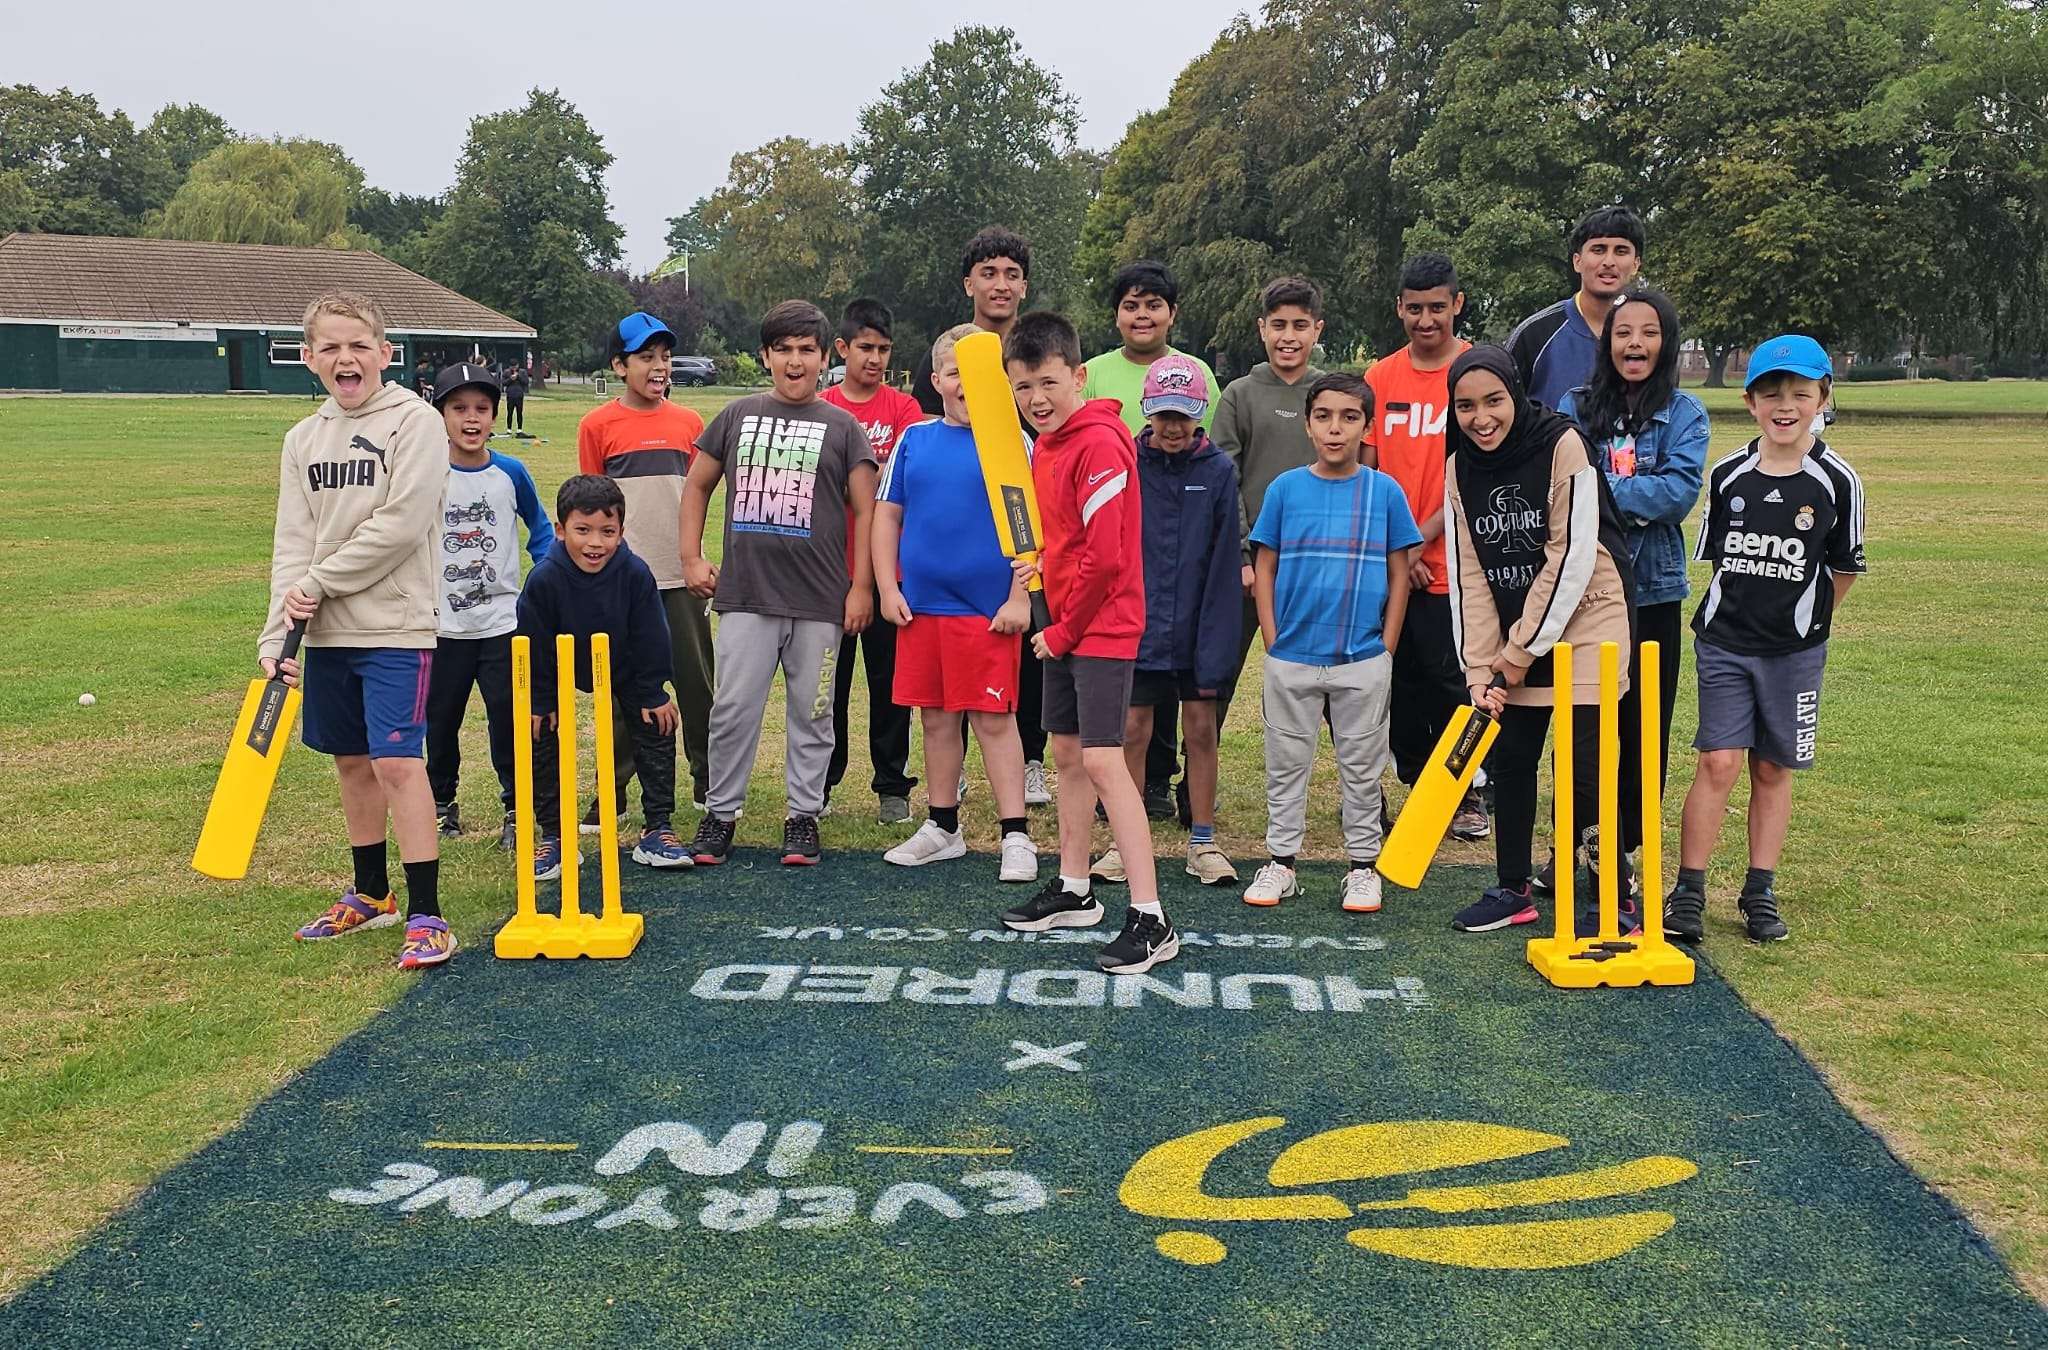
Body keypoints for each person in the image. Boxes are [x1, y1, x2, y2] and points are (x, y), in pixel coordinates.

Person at [265, 290, 453, 970]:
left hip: (396, 625)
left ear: (385, 353)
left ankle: (427, 913)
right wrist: (275, 637)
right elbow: (293, 542)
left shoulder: (416, 422)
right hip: (326, 634)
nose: (346, 358)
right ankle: (372, 894)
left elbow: (400, 526)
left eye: (359, 345)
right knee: (350, 762)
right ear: (309, 357)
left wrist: (320, 582)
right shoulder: (302, 439)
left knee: (397, 762)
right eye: (331, 347)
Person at [1664, 337, 1864, 944]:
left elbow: (1844, 567)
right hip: (1725, 642)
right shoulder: (1728, 474)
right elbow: (1719, 561)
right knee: (1718, 761)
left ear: (1822, 400)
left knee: (1773, 768)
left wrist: (1804, 622)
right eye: (1771, 394)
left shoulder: (1837, 480)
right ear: (1750, 403)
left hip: (1795, 653)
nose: (1785, 406)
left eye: (1800, 394)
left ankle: (1759, 890)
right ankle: (1688, 890)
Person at [995, 311, 1176, 976]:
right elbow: (1068, 540)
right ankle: (1075, 890)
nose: (1036, 398)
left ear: (1077, 376)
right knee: (1068, 754)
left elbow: (1106, 559)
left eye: (1047, 382)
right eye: (1022, 387)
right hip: (1064, 619)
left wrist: (1062, 631)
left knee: (1103, 760)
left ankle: (1152, 918)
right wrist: (1039, 564)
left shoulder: (1099, 442)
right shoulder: (1047, 444)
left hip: (1100, 625)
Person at [1442, 347, 1636, 935]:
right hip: (1513, 626)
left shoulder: (1562, 444)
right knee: (1511, 757)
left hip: (1588, 613)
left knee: (1586, 765)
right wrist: (1481, 669)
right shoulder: (1458, 467)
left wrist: (1518, 653)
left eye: (1493, 401)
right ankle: (1512, 889)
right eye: (1466, 407)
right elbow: (1469, 573)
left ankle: (1613, 895)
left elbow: (1570, 556)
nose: (1481, 418)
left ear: (1516, 394)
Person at [680, 300, 877, 867]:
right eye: (783, 349)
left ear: (824, 357)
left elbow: (868, 511)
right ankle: (720, 813)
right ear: (765, 355)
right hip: (747, 595)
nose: (795, 361)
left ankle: (803, 815)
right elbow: (697, 486)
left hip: (820, 601)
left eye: (806, 350)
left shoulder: (843, 427)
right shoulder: (737, 415)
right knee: (733, 709)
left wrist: (861, 588)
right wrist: (691, 557)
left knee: (813, 713)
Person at [1242, 373, 1420, 915]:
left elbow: (1400, 571)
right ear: (1308, 424)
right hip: (1292, 658)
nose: (1335, 428)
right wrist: (1273, 640)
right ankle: (1281, 863)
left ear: (1367, 426)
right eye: (1323, 416)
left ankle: (1363, 867)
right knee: (1285, 764)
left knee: (1363, 768)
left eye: (1349, 417)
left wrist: (1386, 647)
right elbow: (1264, 566)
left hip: (1362, 659)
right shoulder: (1285, 489)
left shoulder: (1384, 492)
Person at [874, 323, 1038, 883]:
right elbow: (887, 516)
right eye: (956, 372)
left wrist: (1019, 598)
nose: (967, 383)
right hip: (923, 610)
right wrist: (888, 588)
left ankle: (1016, 833)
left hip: (986, 615)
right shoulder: (913, 440)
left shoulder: (1013, 442)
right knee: (937, 719)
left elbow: (1032, 527)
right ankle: (943, 826)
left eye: (981, 373)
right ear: (937, 379)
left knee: (994, 720)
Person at [1555, 289, 1706, 875]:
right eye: (1623, 333)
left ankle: (1622, 849)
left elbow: (1676, 496)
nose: (1635, 344)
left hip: (1654, 592)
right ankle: (1572, 843)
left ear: (1665, 343)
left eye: (1648, 333)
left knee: (1644, 726)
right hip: (1588, 591)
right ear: (1607, 342)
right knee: (1584, 726)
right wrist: (1615, 497)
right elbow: (1565, 489)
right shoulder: (1574, 405)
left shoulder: (1686, 414)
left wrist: (1603, 492)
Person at [910, 225, 1050, 808]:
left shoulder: (1036, 349)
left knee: (1029, 646)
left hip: (1023, 528)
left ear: (1024, 286)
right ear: (969, 283)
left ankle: (1032, 760)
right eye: (988, 273)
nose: (1000, 285)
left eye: (1012, 275)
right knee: (949, 674)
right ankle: (953, 777)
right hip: (956, 544)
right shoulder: (950, 354)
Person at [1089, 354, 1241, 891]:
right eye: (1164, 415)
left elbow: (1225, 558)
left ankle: (1203, 841)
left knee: (1200, 728)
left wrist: (1218, 636)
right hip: (1140, 622)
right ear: (1148, 411)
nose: (1173, 427)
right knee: (1133, 730)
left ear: (1199, 413)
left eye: (1183, 415)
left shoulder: (1218, 471)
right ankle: (1123, 843)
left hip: (1199, 624)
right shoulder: (1128, 463)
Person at [577, 312, 715, 828]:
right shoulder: (596, 425)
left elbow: (697, 496)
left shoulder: (690, 423)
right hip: (624, 584)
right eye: (645, 357)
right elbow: (591, 506)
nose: (659, 367)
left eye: (665, 357)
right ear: (619, 365)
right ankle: (611, 791)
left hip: (681, 578)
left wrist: (694, 558)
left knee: (697, 684)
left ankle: (708, 780)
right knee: (621, 691)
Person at [1366, 254, 1484, 842]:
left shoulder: (1477, 371)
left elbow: (1478, 473)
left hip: (1456, 564)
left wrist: (1418, 543)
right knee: (1400, 684)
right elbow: (1367, 471)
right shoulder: (1380, 377)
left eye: (1438, 307)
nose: (1426, 319)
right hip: (1393, 565)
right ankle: (1418, 788)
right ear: (1399, 309)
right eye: (1415, 308)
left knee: (1456, 686)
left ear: (1457, 304)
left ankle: (1468, 793)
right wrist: (1397, 548)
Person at [516, 476, 684, 880]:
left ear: (621, 532)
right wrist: (540, 700)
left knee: (657, 720)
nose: (595, 543)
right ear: (560, 530)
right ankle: (554, 836)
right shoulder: (544, 578)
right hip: (560, 664)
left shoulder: (635, 572)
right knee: (536, 728)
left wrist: (652, 690)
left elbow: (651, 634)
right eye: (583, 530)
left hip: (624, 662)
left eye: (607, 532)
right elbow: (533, 642)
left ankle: (657, 828)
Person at [424, 363, 554, 851]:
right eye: (459, 409)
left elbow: (541, 530)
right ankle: (441, 804)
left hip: (502, 626)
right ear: (441, 415)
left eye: (481, 408)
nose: (471, 419)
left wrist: (545, 580)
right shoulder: (426, 472)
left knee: (508, 720)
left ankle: (517, 809)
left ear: (495, 415)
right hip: (441, 626)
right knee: (440, 721)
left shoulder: (510, 472)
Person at [822, 298, 927, 824]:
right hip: (829, 571)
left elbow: (905, 478)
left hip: (891, 573)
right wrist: (871, 475)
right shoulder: (821, 405)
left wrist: (855, 475)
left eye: (884, 349)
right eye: (866, 347)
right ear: (843, 348)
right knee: (826, 688)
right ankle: (821, 781)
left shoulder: (903, 408)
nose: (875, 358)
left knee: (891, 685)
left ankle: (892, 784)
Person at [1212, 276, 1328, 702]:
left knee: (1320, 679)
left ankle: (1342, 753)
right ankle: (1199, 753)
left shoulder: (1331, 393)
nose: (1288, 337)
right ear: (1262, 329)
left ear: (1317, 330)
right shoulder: (1239, 395)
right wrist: (1243, 557)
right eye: (1278, 325)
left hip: (1316, 565)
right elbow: (1225, 480)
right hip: (1246, 567)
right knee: (1216, 678)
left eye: (1300, 325)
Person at [1506, 206, 1645, 410]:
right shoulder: (1534, 335)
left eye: (1621, 251)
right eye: (1598, 250)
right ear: (1577, 261)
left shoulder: (1650, 338)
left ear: (1635, 264)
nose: (1609, 262)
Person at [1082, 260, 1219, 438]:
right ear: (1116, 316)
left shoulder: (1197, 372)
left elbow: (1211, 444)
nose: (1142, 315)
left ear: (1172, 313)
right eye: (1131, 307)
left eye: (1153, 306)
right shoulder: (1088, 375)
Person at [502, 360, 528, 433]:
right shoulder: (506, 372)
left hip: (519, 395)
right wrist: (510, 379)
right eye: (512, 367)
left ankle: (519, 429)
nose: (514, 368)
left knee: (519, 412)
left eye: (515, 366)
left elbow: (526, 382)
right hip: (510, 395)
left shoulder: (522, 372)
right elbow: (503, 382)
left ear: (518, 365)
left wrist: (518, 377)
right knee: (509, 412)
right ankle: (509, 429)